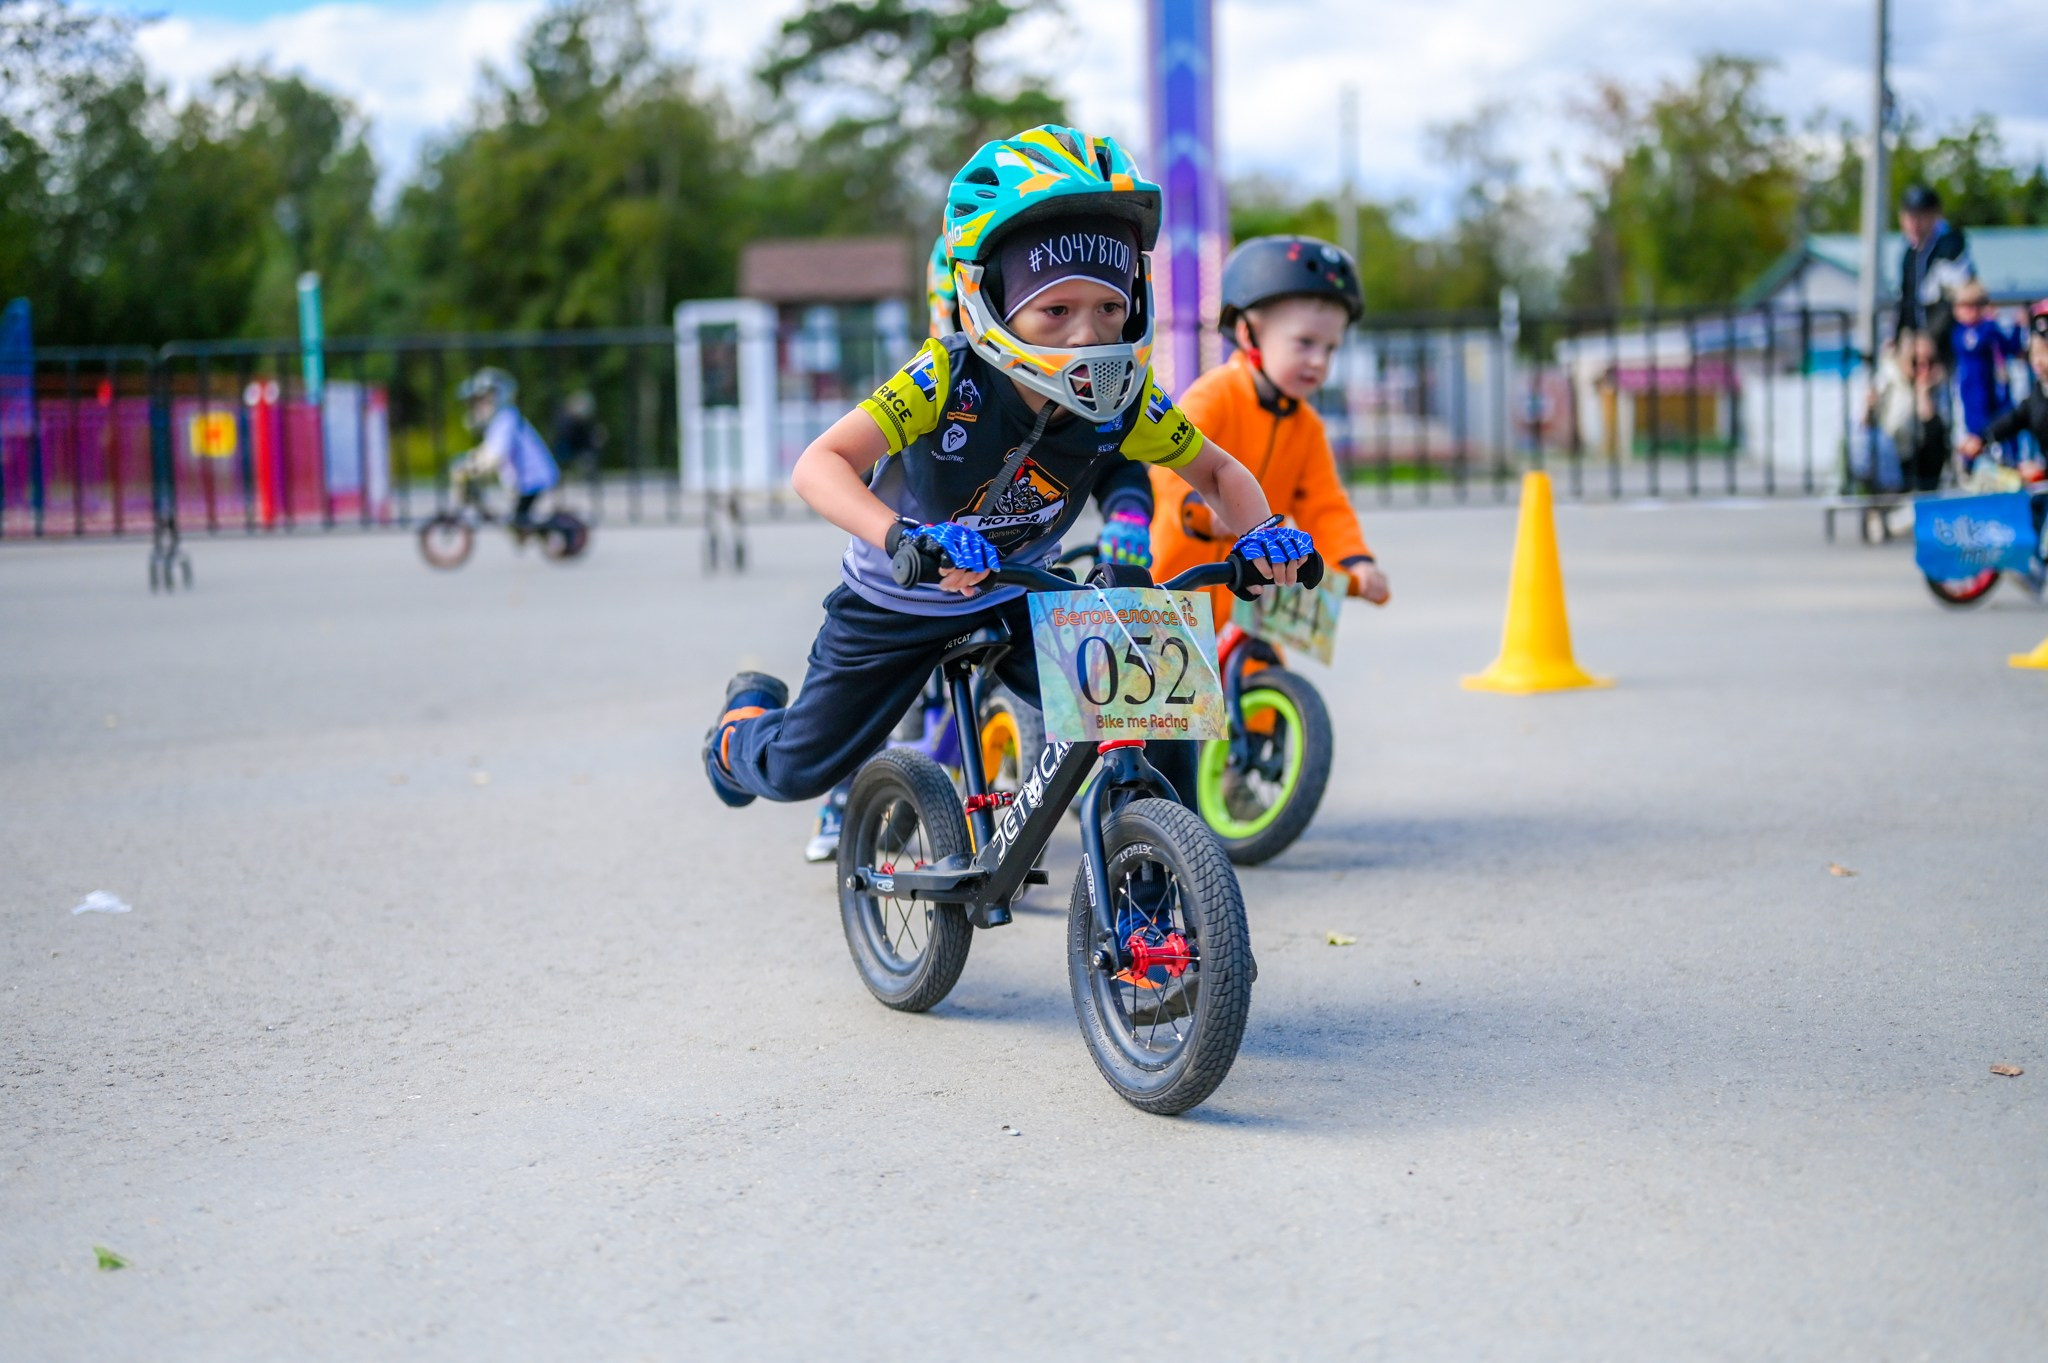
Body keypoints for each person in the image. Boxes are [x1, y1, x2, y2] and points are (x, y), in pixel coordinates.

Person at [704, 125, 1315, 824]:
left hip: (1022, 593)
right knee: (794, 770)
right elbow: (820, 464)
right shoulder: (942, 376)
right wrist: (902, 536)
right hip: (897, 602)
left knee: (1152, 703)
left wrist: (1265, 532)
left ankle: (1159, 858)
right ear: (988, 298)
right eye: (1057, 310)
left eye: (1109, 308)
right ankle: (740, 726)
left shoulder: (1127, 399)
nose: (1088, 335)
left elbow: (1218, 470)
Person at [1148, 234, 1391, 630]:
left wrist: (1354, 560)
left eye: (1331, 348)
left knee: (1263, 674)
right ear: (1249, 334)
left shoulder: (1307, 426)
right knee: (1164, 687)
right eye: (1305, 342)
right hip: (1180, 591)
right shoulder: (1215, 396)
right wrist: (1204, 514)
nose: (1318, 360)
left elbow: (1324, 504)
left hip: (1255, 601)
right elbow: (1168, 470)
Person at [453, 367, 559, 533]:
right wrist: (470, 462)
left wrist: (473, 468)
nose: (477, 408)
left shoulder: (506, 419)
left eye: (482, 401)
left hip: (532, 479)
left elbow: (495, 455)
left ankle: (547, 535)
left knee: (519, 522)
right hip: (523, 480)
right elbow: (487, 450)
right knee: (518, 520)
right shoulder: (501, 421)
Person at [1962, 306, 2048, 481]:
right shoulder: (2039, 394)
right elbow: (2014, 419)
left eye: (2044, 352)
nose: (2037, 360)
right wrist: (1981, 438)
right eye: (2034, 353)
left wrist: (2044, 471)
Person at [1862, 330, 1951, 493]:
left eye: (1930, 362)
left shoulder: (1938, 385)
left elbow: (1936, 433)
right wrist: (1869, 407)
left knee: (1935, 439)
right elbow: (1865, 425)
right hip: (1891, 458)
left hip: (1919, 461)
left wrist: (1923, 393)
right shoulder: (1886, 379)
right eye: (1916, 361)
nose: (1924, 368)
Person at [1948, 280, 2026, 461]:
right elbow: (1973, 342)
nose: (1970, 311)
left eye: (1975, 305)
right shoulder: (1961, 333)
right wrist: (1990, 323)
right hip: (1971, 396)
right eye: (1964, 306)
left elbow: (2011, 347)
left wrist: (2017, 326)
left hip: (1993, 393)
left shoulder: (1991, 329)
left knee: (2001, 430)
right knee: (1975, 436)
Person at [1895, 185, 1976, 355]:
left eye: (1920, 216)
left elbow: (1953, 300)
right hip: (1920, 344)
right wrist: (1900, 339)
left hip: (1952, 344)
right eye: (1909, 216)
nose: (1914, 223)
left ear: (1935, 215)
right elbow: (1906, 301)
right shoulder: (1910, 252)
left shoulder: (1951, 246)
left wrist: (1929, 338)